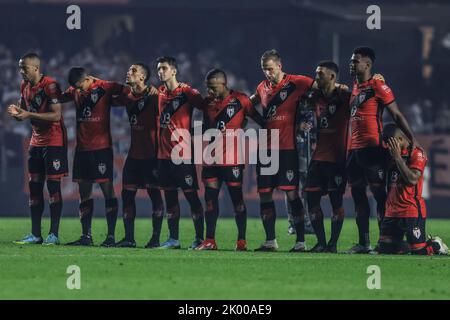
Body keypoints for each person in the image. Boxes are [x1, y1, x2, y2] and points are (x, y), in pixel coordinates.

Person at [345, 46, 417, 253]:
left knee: (380, 196)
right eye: (351, 61)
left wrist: (413, 139)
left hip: (373, 150)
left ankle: (386, 240)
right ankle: (363, 242)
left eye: (355, 61)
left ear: (367, 64)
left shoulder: (379, 86)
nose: (351, 64)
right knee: (358, 196)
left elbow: (396, 114)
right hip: (354, 151)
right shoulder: (355, 87)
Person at [250, 49, 314, 252]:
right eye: (264, 70)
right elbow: (250, 102)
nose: (267, 73)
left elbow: (322, 86)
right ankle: (271, 241)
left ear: (279, 65)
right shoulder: (262, 87)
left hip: (287, 148)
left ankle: (301, 241)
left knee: (292, 193)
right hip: (265, 149)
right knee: (265, 194)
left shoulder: (298, 82)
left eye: (270, 69)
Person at [195, 68, 264, 251]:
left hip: (233, 160)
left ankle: (241, 241)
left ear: (223, 84)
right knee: (210, 201)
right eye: (207, 87)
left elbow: (258, 119)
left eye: (212, 87)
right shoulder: (207, 103)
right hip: (211, 160)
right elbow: (205, 127)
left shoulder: (241, 100)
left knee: (237, 201)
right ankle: (209, 240)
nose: (209, 91)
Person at [62, 67, 128, 247]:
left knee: (108, 191)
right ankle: (86, 236)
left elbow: (128, 92)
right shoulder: (75, 90)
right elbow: (60, 97)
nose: (79, 91)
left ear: (86, 79)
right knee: (84, 194)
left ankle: (111, 237)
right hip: (82, 150)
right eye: (76, 88)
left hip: (101, 149)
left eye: (80, 87)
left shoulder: (106, 86)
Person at [8, 52, 68, 245]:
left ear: (35, 68)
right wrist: (18, 112)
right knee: (34, 187)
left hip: (54, 141)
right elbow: (25, 108)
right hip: (35, 141)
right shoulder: (24, 86)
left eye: (23, 67)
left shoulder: (50, 85)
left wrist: (27, 114)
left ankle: (54, 235)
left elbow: (56, 116)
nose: (20, 71)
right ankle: (35, 234)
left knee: (52, 187)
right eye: (19, 67)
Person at [299, 61, 351, 253]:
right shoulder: (314, 96)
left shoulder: (346, 96)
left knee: (336, 202)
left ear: (332, 77)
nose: (316, 77)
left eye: (320, 74)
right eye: (316, 73)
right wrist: (302, 124)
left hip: (337, 160)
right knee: (311, 198)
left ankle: (333, 244)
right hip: (318, 157)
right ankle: (321, 243)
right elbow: (301, 106)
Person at [112, 63, 164, 248]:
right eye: (129, 70)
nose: (129, 72)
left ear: (143, 77)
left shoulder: (155, 96)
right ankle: (129, 239)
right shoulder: (127, 96)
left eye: (134, 71)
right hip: (134, 155)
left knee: (155, 196)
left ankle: (156, 238)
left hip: (152, 156)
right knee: (127, 195)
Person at [155, 56, 205, 249]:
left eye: (164, 68)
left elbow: (205, 106)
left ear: (174, 71)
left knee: (191, 196)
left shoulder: (187, 92)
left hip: (182, 154)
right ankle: (173, 239)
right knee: (170, 198)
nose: (161, 72)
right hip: (163, 156)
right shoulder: (158, 92)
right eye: (159, 69)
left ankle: (200, 238)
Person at [378, 123, 448, 255]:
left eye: (391, 143)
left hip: (411, 210)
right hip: (391, 212)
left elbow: (412, 180)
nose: (388, 147)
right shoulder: (389, 153)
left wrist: (397, 158)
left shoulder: (416, 153)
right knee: (386, 250)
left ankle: (435, 245)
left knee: (419, 252)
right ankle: (404, 246)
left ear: (399, 139)